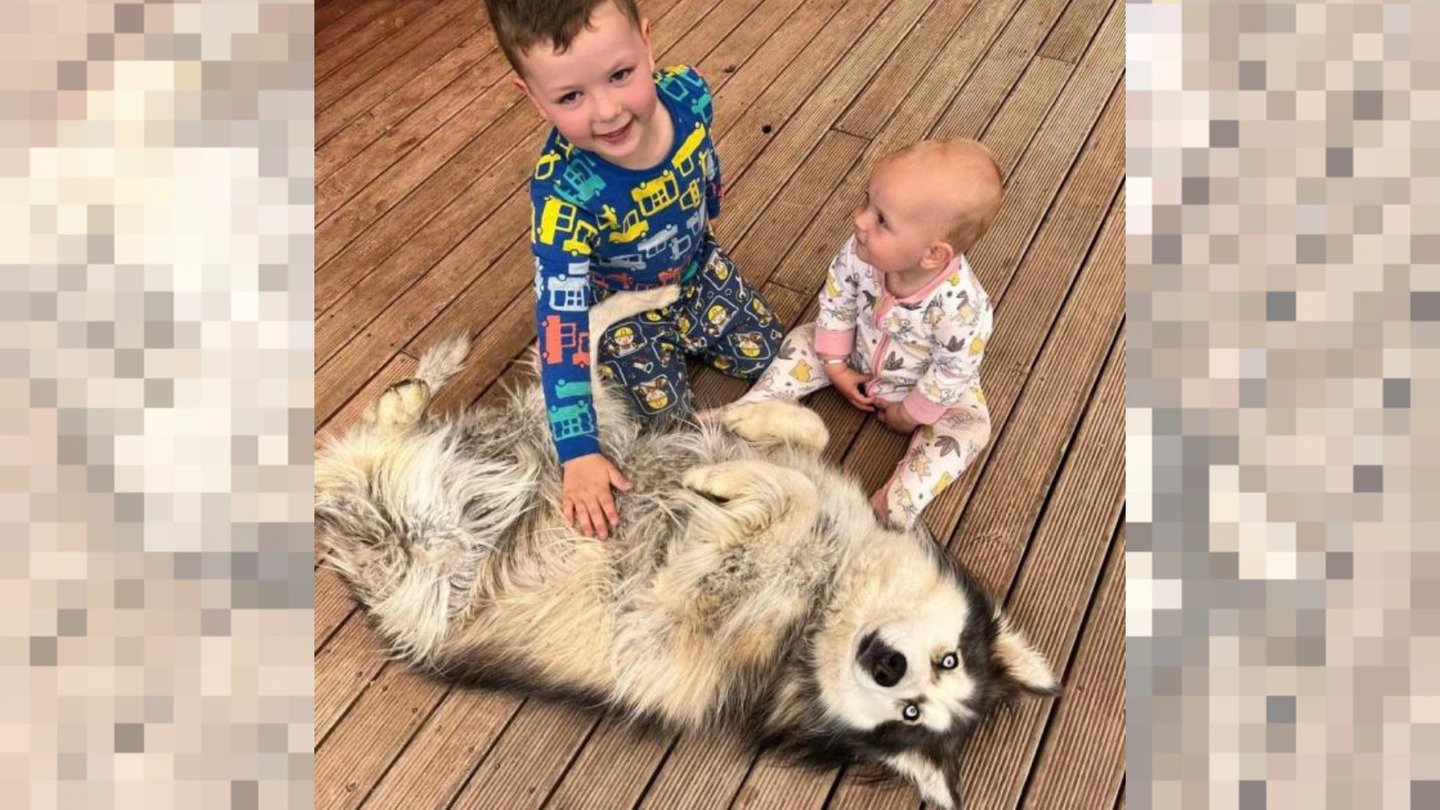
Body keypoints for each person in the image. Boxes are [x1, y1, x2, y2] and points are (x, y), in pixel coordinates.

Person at [485, 0, 785, 539]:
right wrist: (577, 452)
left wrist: (710, 205)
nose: (607, 111)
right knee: (667, 428)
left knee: (770, 352)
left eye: (620, 75)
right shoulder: (562, 196)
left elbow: (704, 154)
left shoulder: (690, 94)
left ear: (647, 44)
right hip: (619, 309)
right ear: (531, 98)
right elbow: (560, 324)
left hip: (697, 272)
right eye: (570, 96)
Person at [738, 139, 1003, 530]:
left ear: (932, 255)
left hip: (923, 387)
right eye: (867, 202)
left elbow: (952, 371)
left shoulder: (963, 308)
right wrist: (836, 367)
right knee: (801, 341)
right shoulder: (860, 253)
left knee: (971, 428)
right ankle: (750, 411)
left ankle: (899, 502)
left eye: (882, 220)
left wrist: (909, 413)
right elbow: (837, 300)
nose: (859, 220)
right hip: (855, 353)